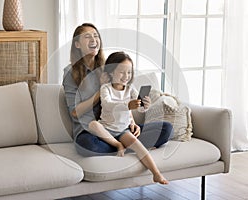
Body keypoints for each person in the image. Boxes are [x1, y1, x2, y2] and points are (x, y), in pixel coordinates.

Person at [62, 23, 173, 157]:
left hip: (119, 128)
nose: (93, 39)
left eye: (96, 36)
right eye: (87, 36)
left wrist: (132, 122)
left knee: (166, 129)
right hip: (92, 132)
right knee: (87, 145)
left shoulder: (109, 68)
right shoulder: (70, 72)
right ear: (77, 44)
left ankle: (125, 144)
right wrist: (100, 91)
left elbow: (123, 97)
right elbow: (75, 112)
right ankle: (130, 146)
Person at [88, 51, 169, 184]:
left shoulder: (130, 89)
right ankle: (118, 145)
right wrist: (127, 105)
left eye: (129, 72)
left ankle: (156, 173)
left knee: (138, 145)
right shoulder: (106, 88)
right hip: (106, 129)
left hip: (123, 130)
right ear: (111, 72)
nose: (126, 76)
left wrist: (145, 105)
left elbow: (140, 108)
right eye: (121, 72)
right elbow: (108, 105)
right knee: (93, 125)